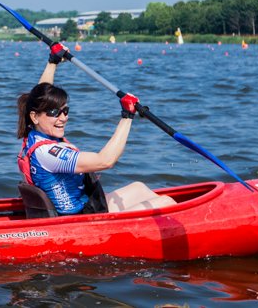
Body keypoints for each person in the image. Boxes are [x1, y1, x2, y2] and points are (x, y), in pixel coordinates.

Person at [16, 53, 176, 215]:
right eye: (54, 112)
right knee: (166, 202)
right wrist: (127, 116)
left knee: (139, 188)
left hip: (86, 206)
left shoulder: (35, 132)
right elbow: (105, 161)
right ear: (35, 116)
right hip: (79, 221)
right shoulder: (47, 153)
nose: (63, 118)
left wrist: (53, 62)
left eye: (65, 111)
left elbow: (40, 95)